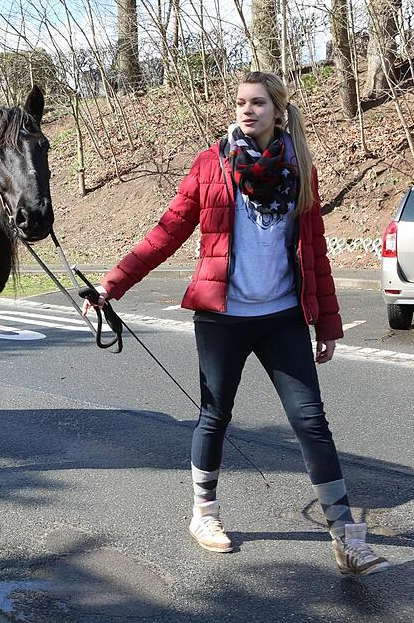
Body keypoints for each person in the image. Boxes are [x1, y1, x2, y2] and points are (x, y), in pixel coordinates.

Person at [85, 71, 390, 576]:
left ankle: (345, 535)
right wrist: (112, 284)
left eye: (258, 103)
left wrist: (329, 324)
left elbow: (314, 252)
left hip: (282, 317)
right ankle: (204, 514)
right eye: (241, 103)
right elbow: (167, 232)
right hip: (222, 317)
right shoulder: (211, 164)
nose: (247, 111)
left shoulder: (300, 168)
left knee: (311, 421)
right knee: (215, 415)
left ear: (278, 109)